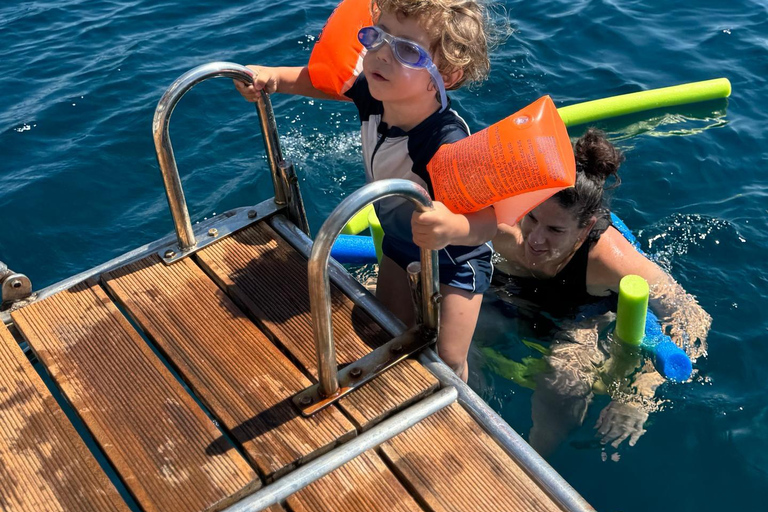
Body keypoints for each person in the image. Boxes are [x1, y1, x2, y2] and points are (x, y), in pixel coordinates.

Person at [234, 0, 500, 381]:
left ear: (447, 74)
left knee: (447, 356)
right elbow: (323, 82)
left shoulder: (446, 143)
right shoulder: (375, 94)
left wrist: (453, 229)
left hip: (456, 261)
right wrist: (274, 78)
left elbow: (489, 222)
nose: (381, 55)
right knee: (386, 327)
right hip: (399, 240)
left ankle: (461, 404)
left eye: (407, 49)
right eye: (378, 36)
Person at [490, 127, 712, 456]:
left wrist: (638, 395)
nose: (535, 239)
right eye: (532, 218)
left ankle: (530, 463)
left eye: (554, 230)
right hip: (508, 292)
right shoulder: (500, 223)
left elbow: (693, 318)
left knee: (565, 381)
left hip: (583, 314)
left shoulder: (610, 259)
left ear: (586, 227)